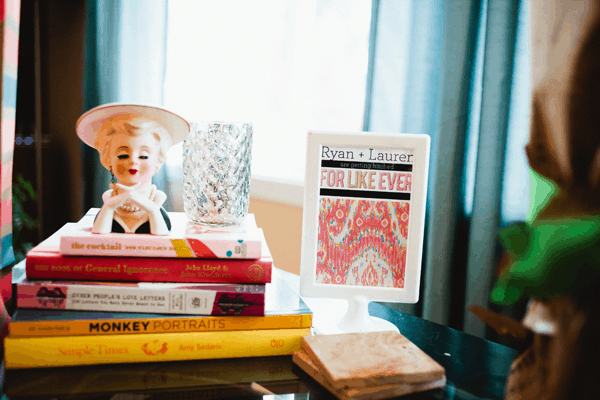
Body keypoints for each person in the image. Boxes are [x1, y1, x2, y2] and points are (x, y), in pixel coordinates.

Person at [76, 104, 190, 235]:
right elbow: (99, 233)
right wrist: (111, 205)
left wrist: (150, 207)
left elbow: (161, 234)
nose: (133, 161)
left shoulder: (157, 198)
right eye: (123, 155)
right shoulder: (109, 198)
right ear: (108, 160)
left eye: (143, 156)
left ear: (158, 161)